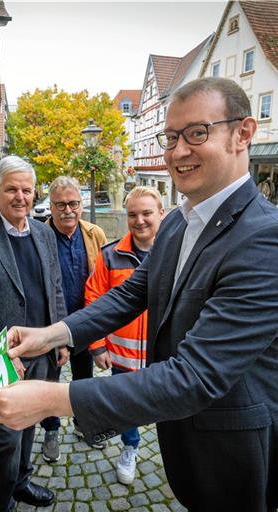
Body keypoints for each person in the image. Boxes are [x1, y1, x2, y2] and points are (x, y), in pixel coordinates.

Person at [0, 77, 278, 511]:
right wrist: (53, 335)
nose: (178, 151)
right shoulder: (178, 221)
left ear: (243, 133)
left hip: (234, 446)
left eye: (197, 133)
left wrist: (50, 400)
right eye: (171, 137)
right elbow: (131, 294)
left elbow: (194, 376)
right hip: (184, 430)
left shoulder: (270, 240)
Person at [0, 155, 66, 511]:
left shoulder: (43, 232)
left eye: (26, 190)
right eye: (11, 190)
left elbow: (55, 286)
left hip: (44, 349)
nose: (20, 197)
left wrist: (61, 336)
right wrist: (2, 354)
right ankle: (0, 504)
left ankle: (22, 482)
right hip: (4, 357)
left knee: (33, 419)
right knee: (6, 437)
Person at [85, 186, 165, 484]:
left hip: (165, 356)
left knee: (173, 408)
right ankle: (130, 448)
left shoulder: (179, 255)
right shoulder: (111, 255)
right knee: (126, 408)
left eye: (146, 213)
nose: (140, 220)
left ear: (161, 214)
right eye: (133, 214)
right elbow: (94, 300)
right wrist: (96, 346)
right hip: (121, 357)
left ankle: (181, 455)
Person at [40, 176, 107, 462]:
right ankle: (51, 430)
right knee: (51, 381)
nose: (68, 210)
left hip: (85, 323)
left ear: (81, 203)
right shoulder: (38, 237)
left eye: (73, 203)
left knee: (83, 379)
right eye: (60, 204)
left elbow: (104, 281)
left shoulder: (95, 234)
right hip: (51, 325)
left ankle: (82, 424)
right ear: (50, 206)